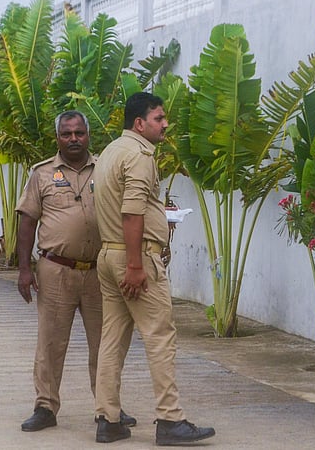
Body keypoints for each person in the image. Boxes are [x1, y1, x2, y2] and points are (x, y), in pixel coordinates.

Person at [91, 92, 215, 445]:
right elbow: (132, 213)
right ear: (139, 123)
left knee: (112, 338)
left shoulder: (111, 151)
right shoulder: (139, 155)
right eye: (159, 118)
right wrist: (135, 265)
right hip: (135, 258)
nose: (165, 125)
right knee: (160, 336)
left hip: (109, 255)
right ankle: (170, 419)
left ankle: (107, 418)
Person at [15, 110, 135, 432]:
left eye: (79, 133)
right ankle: (45, 407)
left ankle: (109, 408)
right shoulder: (42, 174)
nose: (73, 139)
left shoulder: (107, 168)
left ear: (88, 135)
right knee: (51, 343)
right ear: (57, 138)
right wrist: (24, 269)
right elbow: (27, 222)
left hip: (101, 271)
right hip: (56, 270)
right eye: (66, 134)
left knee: (105, 343)